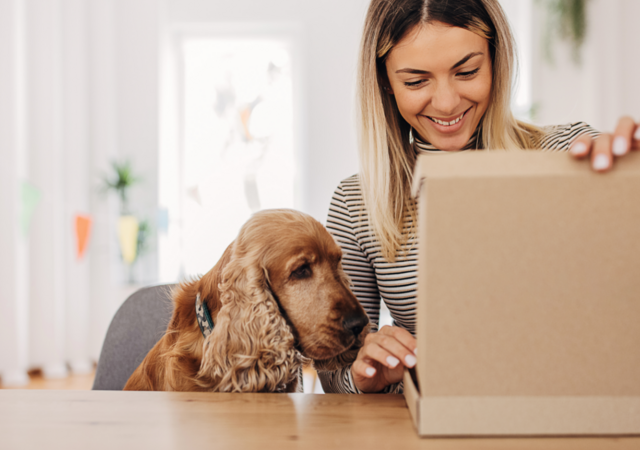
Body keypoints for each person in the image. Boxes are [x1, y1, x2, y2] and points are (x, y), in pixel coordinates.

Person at [318, 0, 640, 394]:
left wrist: (624, 187)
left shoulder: (567, 153)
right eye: (416, 81)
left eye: (467, 71)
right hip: (435, 424)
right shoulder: (357, 203)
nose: (447, 103)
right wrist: (368, 373)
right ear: (385, 80)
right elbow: (336, 376)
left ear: (495, 60)